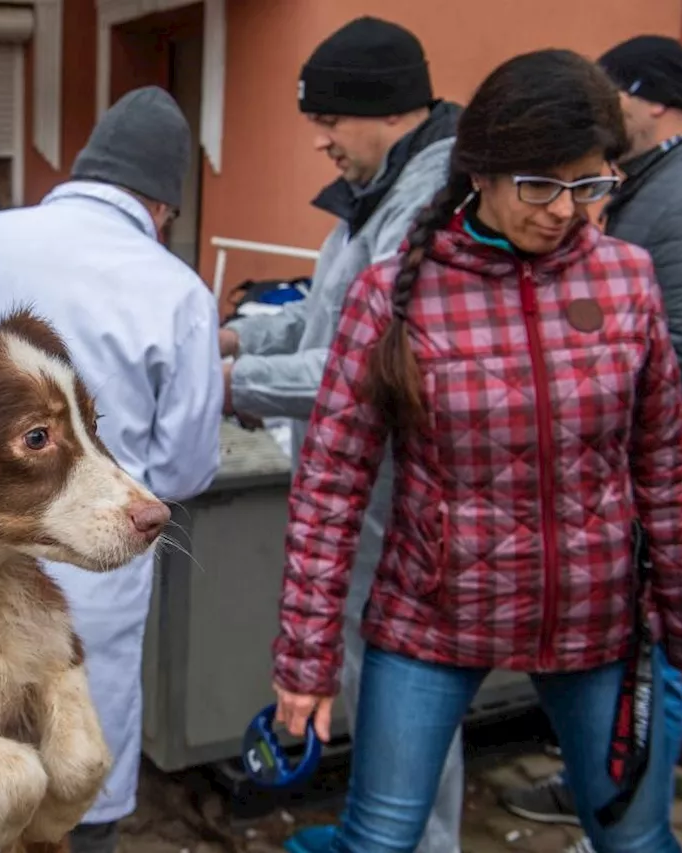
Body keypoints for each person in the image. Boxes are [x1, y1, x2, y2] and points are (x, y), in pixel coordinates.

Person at [274, 48, 682, 853]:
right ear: (483, 174)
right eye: (539, 186)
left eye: (589, 185)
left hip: (596, 624)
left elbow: (665, 470)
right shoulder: (395, 292)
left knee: (636, 839)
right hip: (430, 619)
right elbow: (329, 487)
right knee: (383, 837)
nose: (565, 212)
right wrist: (306, 656)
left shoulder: (628, 280)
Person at [0, 85, 223, 853]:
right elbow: (183, 469)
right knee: (74, 782)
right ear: (161, 208)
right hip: (91, 579)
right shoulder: (177, 288)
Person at [218, 17, 464, 853]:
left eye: (326, 120)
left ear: (380, 110)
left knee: (408, 695)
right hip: (366, 498)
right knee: (370, 683)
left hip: (407, 500)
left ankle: (416, 839)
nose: (319, 140)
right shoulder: (376, 199)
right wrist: (236, 339)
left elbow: (368, 367)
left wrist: (223, 383)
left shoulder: (432, 203)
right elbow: (323, 317)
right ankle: (377, 827)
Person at [497, 34, 682, 849]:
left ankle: (623, 798)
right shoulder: (641, 183)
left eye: (610, 99)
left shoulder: (670, 200)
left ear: (651, 102)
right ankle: (608, 792)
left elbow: (665, 356)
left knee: (656, 670)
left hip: (646, 481)